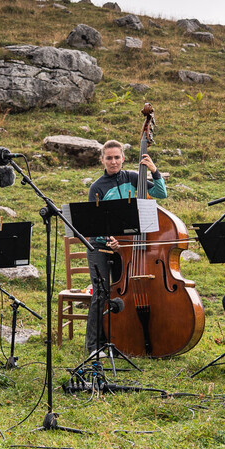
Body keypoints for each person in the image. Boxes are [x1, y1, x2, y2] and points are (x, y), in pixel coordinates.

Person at [84, 140, 166, 358]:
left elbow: (161, 194)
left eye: (117, 157)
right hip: (100, 247)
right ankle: (93, 346)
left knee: (124, 295)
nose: (113, 161)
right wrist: (108, 238)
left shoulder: (132, 177)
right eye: (109, 158)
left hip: (127, 249)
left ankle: (118, 340)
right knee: (101, 292)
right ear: (102, 160)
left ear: (123, 158)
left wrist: (154, 171)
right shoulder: (97, 187)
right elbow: (95, 223)